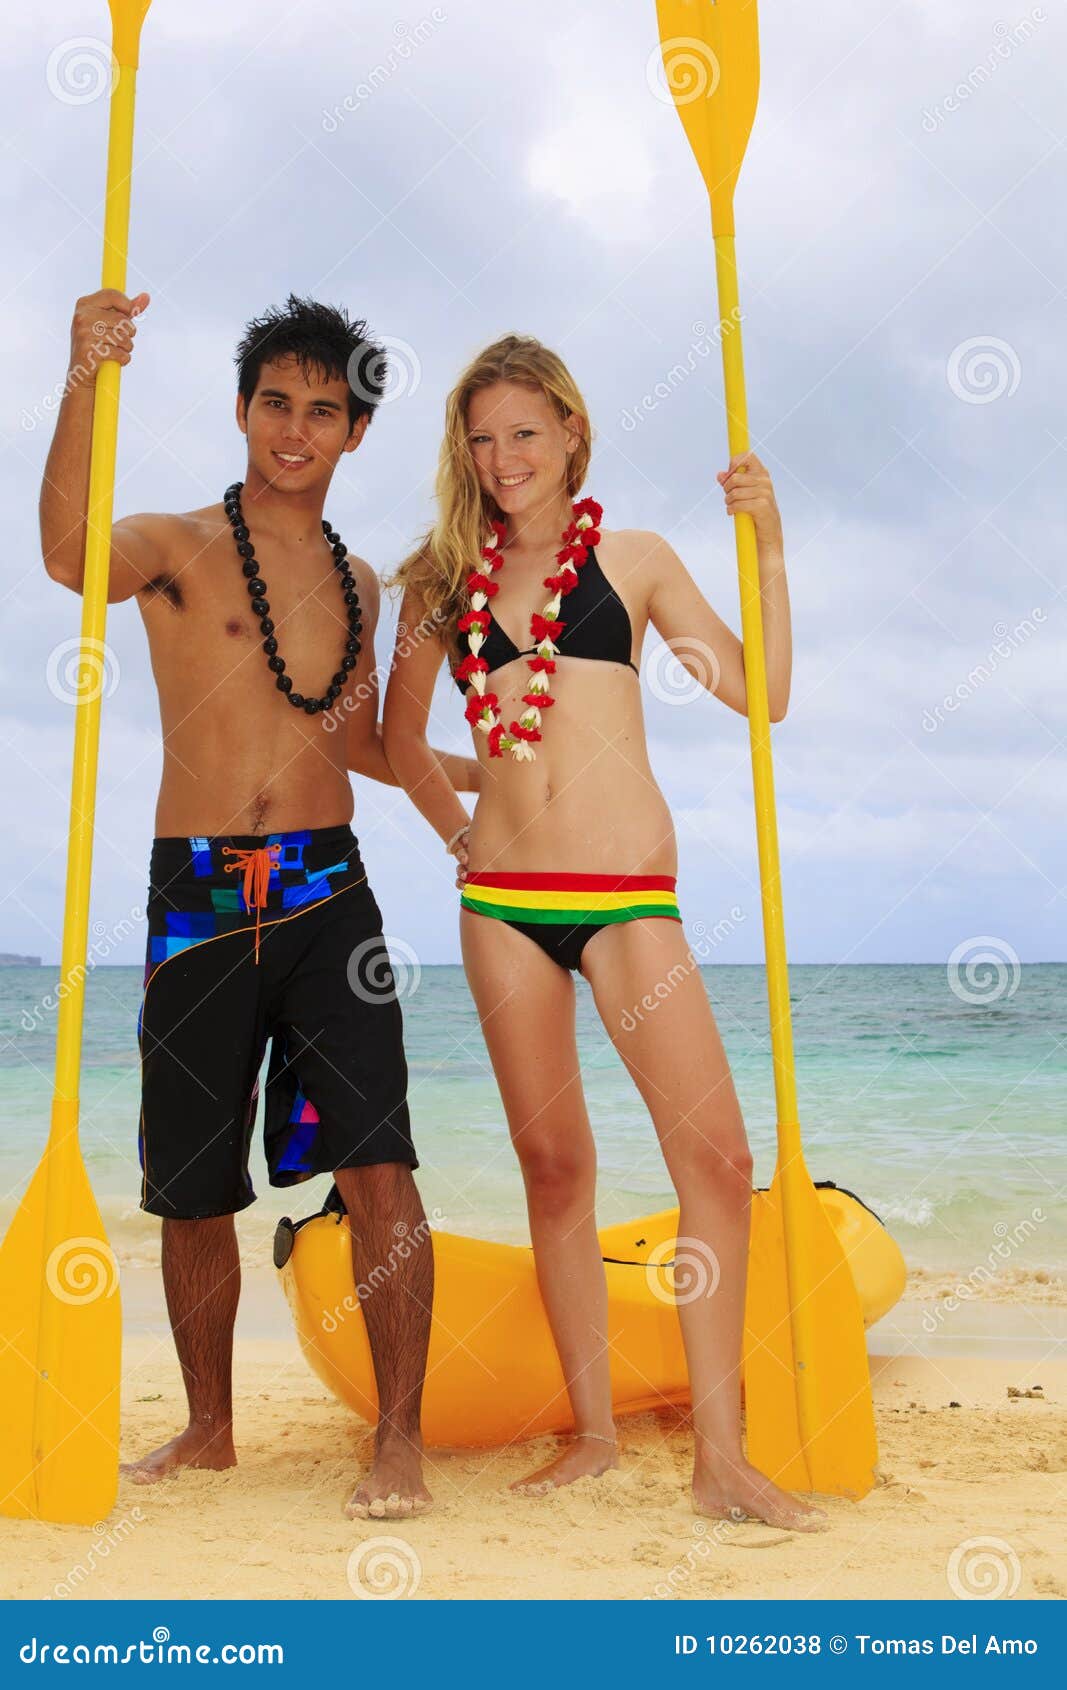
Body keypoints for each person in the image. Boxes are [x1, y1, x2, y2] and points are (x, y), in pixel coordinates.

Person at [40, 289, 479, 1520]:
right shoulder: (177, 545)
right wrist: (84, 373)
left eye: (322, 410)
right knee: (191, 1184)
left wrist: (490, 774)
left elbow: (362, 743)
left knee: (379, 1161)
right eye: (275, 403)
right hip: (195, 897)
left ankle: (398, 1440)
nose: (294, 427)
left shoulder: (356, 579)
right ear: (242, 410)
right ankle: (211, 1426)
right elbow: (67, 553)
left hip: (327, 891)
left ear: (353, 433)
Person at [381, 334, 825, 1530]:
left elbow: (760, 692)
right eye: (480, 436)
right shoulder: (441, 580)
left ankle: (720, 1459)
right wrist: (458, 820)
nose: (501, 456)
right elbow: (394, 740)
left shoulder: (631, 564)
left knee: (718, 1163)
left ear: (572, 431)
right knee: (556, 1166)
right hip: (504, 911)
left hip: (626, 895)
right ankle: (588, 1436)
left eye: (524, 431)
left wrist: (768, 546)